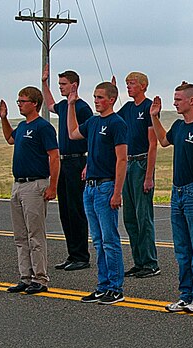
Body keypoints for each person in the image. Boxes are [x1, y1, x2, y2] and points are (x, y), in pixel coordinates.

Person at [149, 82, 193, 313]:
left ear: (192, 101)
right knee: (181, 248)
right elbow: (163, 141)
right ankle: (185, 294)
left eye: (178, 99)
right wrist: (155, 117)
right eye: (175, 99)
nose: (175, 103)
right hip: (176, 191)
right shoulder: (179, 126)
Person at [65, 81, 129, 305]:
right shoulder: (92, 122)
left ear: (111, 99)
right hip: (90, 187)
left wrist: (117, 192)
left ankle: (115, 287)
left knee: (110, 239)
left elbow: (122, 159)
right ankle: (103, 286)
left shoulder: (116, 123)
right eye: (94, 97)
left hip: (106, 186)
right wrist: (71, 105)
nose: (96, 101)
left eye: (100, 97)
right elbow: (73, 133)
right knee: (98, 240)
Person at [0, 86, 60, 294]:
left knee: (35, 234)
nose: (19, 104)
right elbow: (10, 139)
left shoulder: (43, 127)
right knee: (20, 235)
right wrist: (4, 118)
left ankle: (40, 278)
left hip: (35, 184)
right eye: (18, 101)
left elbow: (54, 156)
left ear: (34, 103)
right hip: (18, 184)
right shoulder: (23, 126)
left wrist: (53, 186)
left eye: (23, 101)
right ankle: (25, 276)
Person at [43, 65, 93, 271]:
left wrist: (89, 164)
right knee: (65, 211)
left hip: (77, 161)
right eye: (59, 84)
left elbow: (91, 136)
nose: (60, 88)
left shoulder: (82, 108)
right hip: (62, 162)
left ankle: (82, 255)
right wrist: (44, 83)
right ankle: (72, 254)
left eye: (63, 84)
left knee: (76, 209)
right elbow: (51, 104)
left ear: (74, 85)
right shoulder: (64, 106)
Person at [118, 72, 160, 278]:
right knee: (130, 217)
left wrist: (149, 176)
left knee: (143, 217)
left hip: (142, 163)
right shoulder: (127, 108)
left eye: (132, 83)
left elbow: (153, 143)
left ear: (143, 86)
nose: (129, 87)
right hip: (127, 163)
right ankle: (138, 260)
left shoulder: (148, 107)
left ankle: (150, 262)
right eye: (127, 84)